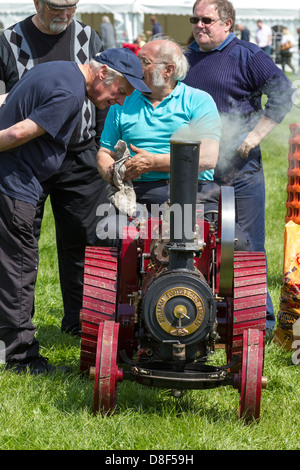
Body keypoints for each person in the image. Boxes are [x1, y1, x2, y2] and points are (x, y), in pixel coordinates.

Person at [0, 48, 150, 375]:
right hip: (14, 185)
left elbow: (8, 98)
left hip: (14, 181)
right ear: (103, 73)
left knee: (12, 266)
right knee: (20, 269)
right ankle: (21, 358)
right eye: (120, 91)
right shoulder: (70, 92)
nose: (120, 100)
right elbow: (16, 132)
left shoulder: (56, 68)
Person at [183, 0, 294, 334]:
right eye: (195, 19)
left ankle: (259, 326)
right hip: (196, 172)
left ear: (228, 23)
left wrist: (255, 136)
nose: (199, 25)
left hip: (241, 171)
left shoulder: (247, 55)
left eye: (207, 20)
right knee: (191, 246)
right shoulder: (184, 58)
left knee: (246, 248)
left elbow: (282, 93)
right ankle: (197, 320)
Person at [0, 0, 108, 337]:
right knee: (19, 243)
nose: (64, 14)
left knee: (84, 241)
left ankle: (80, 322)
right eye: (56, 6)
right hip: (25, 159)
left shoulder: (89, 38)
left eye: (71, 6)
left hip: (80, 157)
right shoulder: (9, 40)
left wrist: (102, 148)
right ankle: (16, 327)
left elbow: (105, 99)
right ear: (36, 2)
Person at [96, 38, 222, 243]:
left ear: (168, 70)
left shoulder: (198, 101)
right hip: (137, 194)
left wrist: (152, 162)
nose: (138, 67)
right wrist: (113, 172)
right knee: (110, 234)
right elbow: (105, 152)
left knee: (232, 242)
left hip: (193, 192)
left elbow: (207, 158)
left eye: (144, 62)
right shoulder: (124, 99)